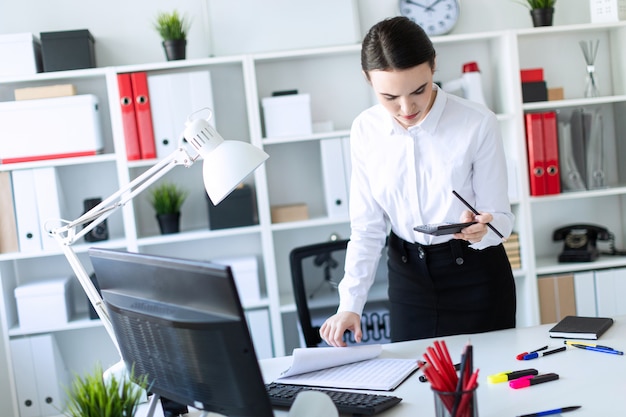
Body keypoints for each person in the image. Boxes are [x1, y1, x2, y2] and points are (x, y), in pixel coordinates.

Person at [319, 16, 516, 347]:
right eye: (390, 97)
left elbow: (502, 222)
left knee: (488, 386)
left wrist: (483, 229)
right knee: (414, 388)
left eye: (418, 90)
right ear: (368, 80)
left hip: (475, 274)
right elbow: (367, 229)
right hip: (409, 278)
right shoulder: (365, 130)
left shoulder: (477, 123)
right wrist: (350, 305)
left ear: (434, 65)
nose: (406, 107)